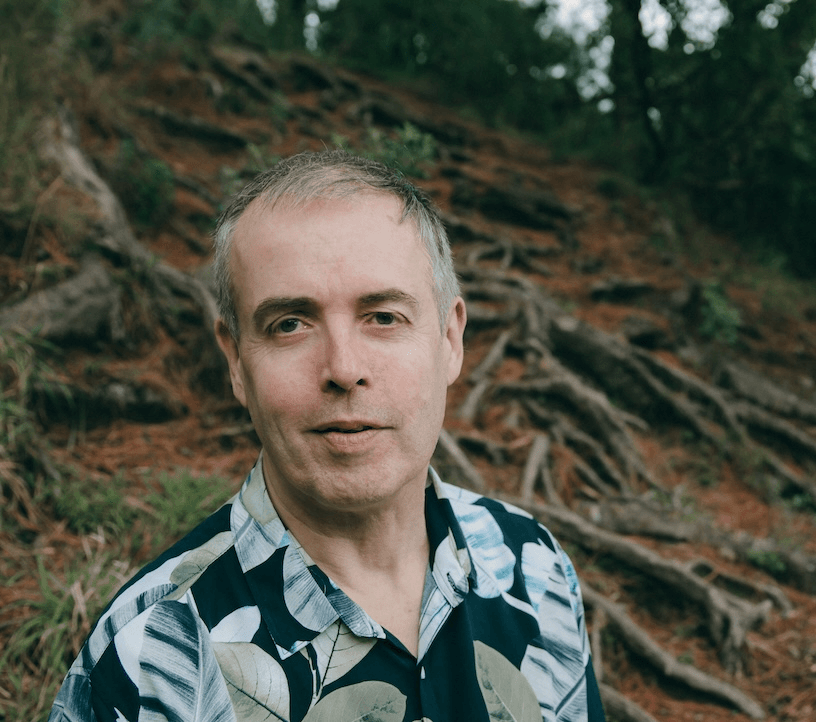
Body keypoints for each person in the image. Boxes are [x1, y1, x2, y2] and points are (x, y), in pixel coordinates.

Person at [49, 150, 605, 722]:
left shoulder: (534, 568)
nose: (343, 367)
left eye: (383, 316)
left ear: (450, 340)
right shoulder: (149, 661)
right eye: (290, 324)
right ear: (236, 361)